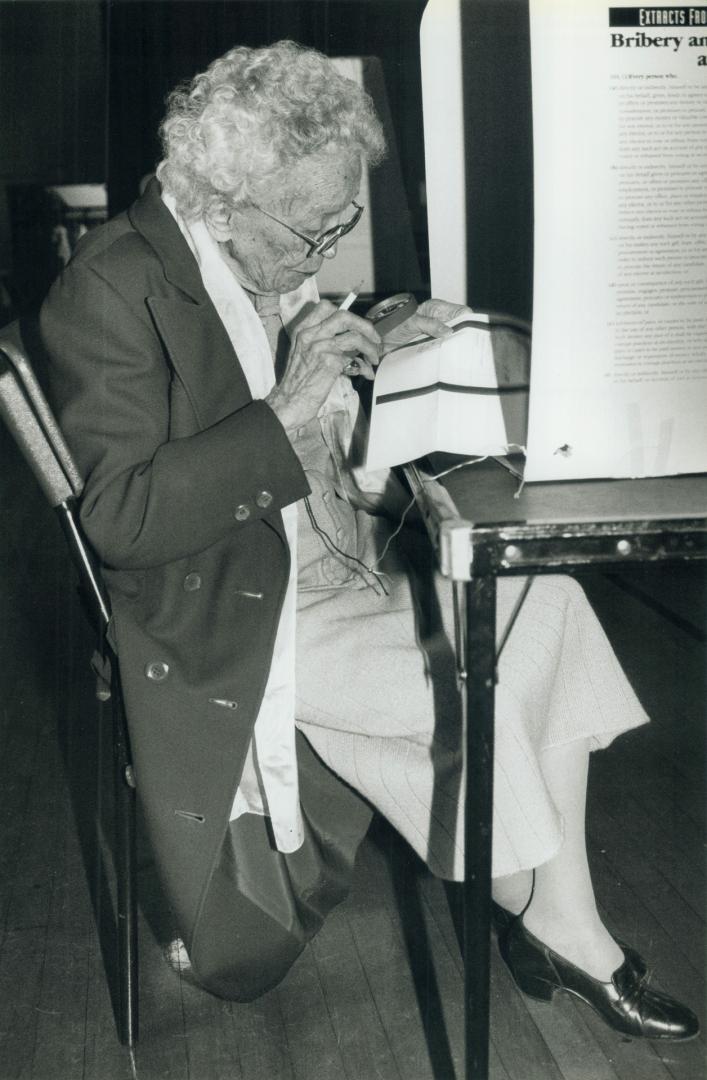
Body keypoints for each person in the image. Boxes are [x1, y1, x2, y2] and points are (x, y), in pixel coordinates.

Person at [39, 41, 697, 1040]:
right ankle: (561, 925)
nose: (323, 253)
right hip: (229, 608)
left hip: (332, 563)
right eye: (311, 231)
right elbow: (124, 521)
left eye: (342, 219)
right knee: (474, 684)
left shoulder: (252, 258)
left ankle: (559, 917)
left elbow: (288, 396)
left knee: (547, 604)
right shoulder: (109, 288)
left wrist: (377, 376)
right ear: (217, 204)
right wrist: (289, 408)